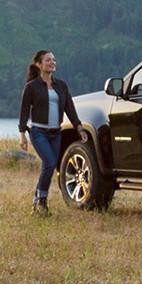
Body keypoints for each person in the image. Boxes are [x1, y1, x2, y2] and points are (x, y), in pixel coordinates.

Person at [19, 50, 86, 215]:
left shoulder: (61, 85)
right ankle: (42, 201)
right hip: (38, 132)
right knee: (49, 163)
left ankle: (37, 201)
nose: (52, 62)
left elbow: (70, 108)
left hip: (56, 133)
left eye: (54, 60)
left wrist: (79, 127)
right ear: (39, 64)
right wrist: (22, 134)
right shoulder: (31, 87)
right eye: (48, 60)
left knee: (49, 166)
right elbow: (24, 111)